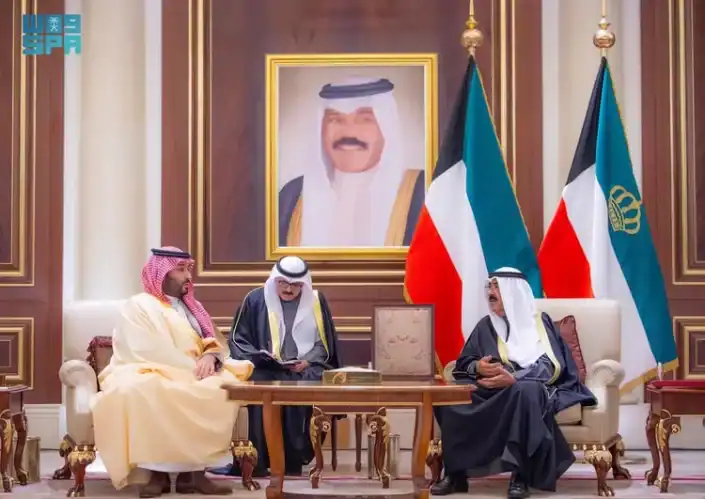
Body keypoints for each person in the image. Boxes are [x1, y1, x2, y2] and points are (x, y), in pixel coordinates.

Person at [91, 247, 254, 498]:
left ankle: (196, 474)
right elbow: (142, 347)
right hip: (148, 368)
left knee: (218, 389)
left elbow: (213, 342)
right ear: (162, 273)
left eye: (188, 269)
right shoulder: (138, 305)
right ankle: (157, 475)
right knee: (148, 389)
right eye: (180, 270)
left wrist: (211, 357)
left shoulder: (193, 307)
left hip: (196, 370)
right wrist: (191, 367)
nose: (188, 276)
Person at [431, 268, 597, 499]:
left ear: (513, 292)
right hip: (490, 388)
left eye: (496, 287)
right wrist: (478, 367)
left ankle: (521, 475)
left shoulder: (540, 323)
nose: (490, 292)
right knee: (450, 399)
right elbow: (464, 362)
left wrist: (515, 378)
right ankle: (456, 474)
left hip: (527, 384)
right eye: (489, 287)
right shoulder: (485, 325)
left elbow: (551, 364)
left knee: (526, 392)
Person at [224, 256, 341, 476]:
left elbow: (325, 344)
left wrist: (307, 361)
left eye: (295, 285)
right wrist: (261, 356)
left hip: (305, 368)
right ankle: (258, 459)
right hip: (268, 368)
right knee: (260, 383)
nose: (288, 289)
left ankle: (294, 459)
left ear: (304, 284)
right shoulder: (256, 299)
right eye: (283, 283)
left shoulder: (316, 302)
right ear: (274, 280)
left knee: (311, 382)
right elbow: (239, 339)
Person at [278, 77, 426, 247]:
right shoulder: (292, 195)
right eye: (335, 120)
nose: (349, 132)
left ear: (386, 126)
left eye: (365, 119)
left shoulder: (422, 191)